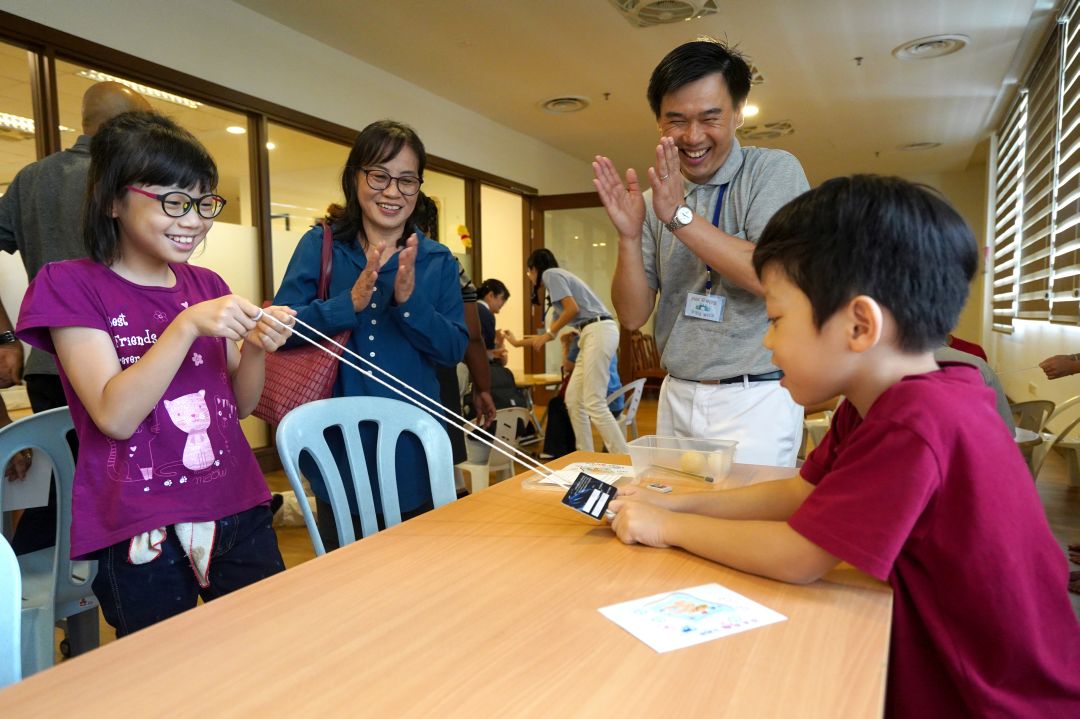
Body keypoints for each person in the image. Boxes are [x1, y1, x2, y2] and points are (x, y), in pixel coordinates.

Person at [608, 175, 1080, 716]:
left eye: (777, 319)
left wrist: (664, 527)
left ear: (859, 325)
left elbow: (800, 556)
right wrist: (671, 500)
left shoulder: (918, 419)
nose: (767, 340)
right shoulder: (884, 399)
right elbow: (801, 493)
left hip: (989, 701)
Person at [15, 111, 291, 636]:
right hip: (139, 526)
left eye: (204, 202)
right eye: (173, 201)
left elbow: (240, 407)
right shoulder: (70, 285)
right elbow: (114, 415)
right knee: (163, 672)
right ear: (112, 200)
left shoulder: (205, 282)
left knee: (267, 642)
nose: (194, 219)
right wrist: (184, 326)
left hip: (237, 503)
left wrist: (254, 349)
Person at [593, 38, 808, 467]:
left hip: (757, 395)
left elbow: (776, 278)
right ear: (659, 122)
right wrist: (629, 237)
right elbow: (634, 316)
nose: (692, 137)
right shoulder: (660, 200)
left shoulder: (772, 170)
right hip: (677, 394)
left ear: (739, 112)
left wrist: (679, 216)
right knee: (673, 526)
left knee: (743, 529)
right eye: (676, 121)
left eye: (710, 118)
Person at [274, 120, 468, 549]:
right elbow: (278, 330)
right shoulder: (320, 245)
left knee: (420, 572)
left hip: (414, 449)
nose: (392, 191)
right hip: (338, 450)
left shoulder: (437, 260)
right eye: (379, 175)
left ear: (419, 188)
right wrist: (348, 304)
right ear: (355, 176)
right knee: (346, 581)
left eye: (406, 180)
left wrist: (409, 302)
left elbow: (454, 348)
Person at [0, 81, 152, 554]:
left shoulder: (31, 179)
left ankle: (36, 607)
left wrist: (6, 334)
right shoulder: (129, 180)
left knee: (58, 495)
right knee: (122, 494)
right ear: (126, 125)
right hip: (127, 362)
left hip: (50, 365)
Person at [503, 248, 627, 454]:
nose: (530, 277)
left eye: (529, 272)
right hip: (591, 332)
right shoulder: (557, 290)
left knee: (593, 401)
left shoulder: (551, 275)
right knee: (572, 398)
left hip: (598, 330)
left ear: (534, 269)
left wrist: (549, 332)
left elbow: (572, 310)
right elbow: (549, 335)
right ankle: (585, 456)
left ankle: (624, 456)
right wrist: (516, 343)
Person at [412, 192, 495, 484]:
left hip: (375, 380)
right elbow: (472, 335)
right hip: (437, 376)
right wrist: (482, 386)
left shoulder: (364, 253)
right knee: (439, 469)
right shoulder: (442, 259)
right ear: (430, 226)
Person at [476, 278, 510, 358]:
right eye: (502, 299)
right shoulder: (486, 314)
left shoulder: (473, 308)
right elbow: (491, 352)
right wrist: (499, 342)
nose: (503, 304)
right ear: (491, 295)